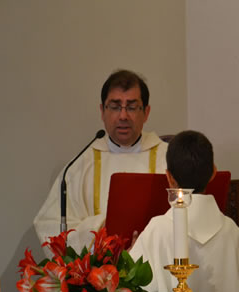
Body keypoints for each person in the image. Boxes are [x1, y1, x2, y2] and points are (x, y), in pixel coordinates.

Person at [34, 70, 168, 254]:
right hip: (97, 276)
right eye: (114, 106)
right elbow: (49, 225)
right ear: (102, 111)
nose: (123, 116)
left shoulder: (168, 159)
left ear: (146, 112)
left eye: (131, 107)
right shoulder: (80, 165)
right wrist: (102, 229)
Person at [130, 130, 239, 292]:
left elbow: (135, 285)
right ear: (214, 173)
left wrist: (129, 254)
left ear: (169, 177)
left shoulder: (156, 230)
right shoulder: (232, 231)